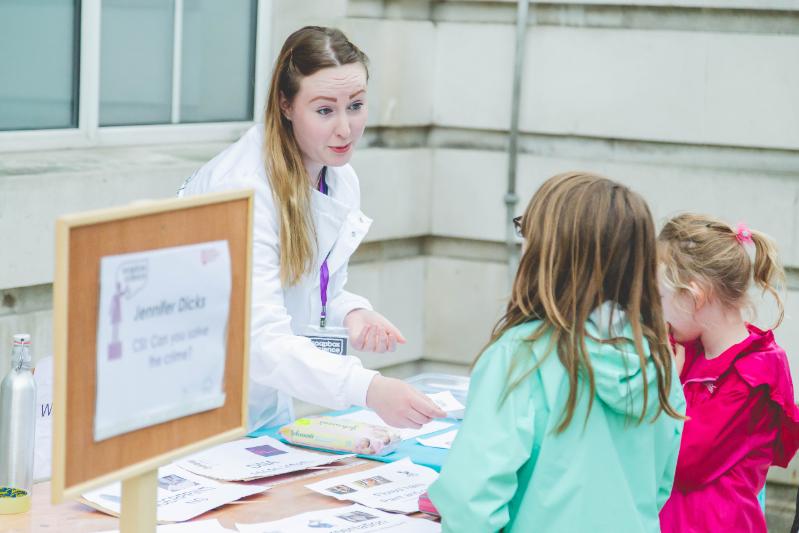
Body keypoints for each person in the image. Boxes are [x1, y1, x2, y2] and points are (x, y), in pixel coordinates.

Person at [179, 26, 444, 431]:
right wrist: (368, 388)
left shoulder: (337, 176)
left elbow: (310, 286)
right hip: (194, 410)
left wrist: (351, 310)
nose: (345, 128)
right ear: (286, 105)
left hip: (261, 410)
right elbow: (261, 340)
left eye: (355, 106)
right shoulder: (241, 188)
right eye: (325, 110)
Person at [427, 172, 685, 532]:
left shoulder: (520, 356)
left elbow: (472, 504)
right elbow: (657, 488)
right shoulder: (657, 357)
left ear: (550, 252)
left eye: (525, 230)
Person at [657, 214, 799, 533]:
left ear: (694, 296)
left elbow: (682, 463)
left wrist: (667, 388)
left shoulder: (754, 373)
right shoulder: (688, 348)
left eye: (662, 297)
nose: (658, 310)